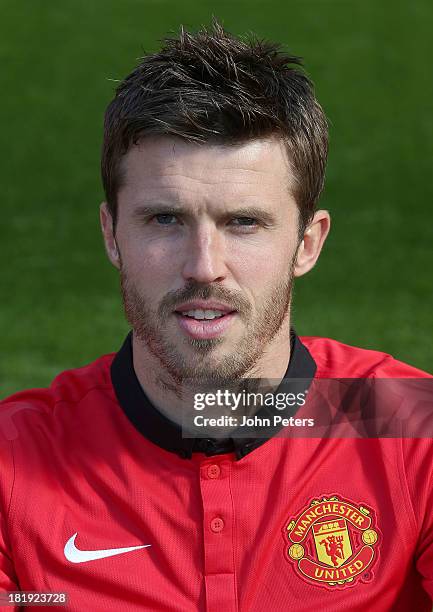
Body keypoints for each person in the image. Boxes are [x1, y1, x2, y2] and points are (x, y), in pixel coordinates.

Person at [0, 21, 432, 612]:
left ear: (308, 242)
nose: (204, 267)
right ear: (111, 234)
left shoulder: (411, 429)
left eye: (244, 222)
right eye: (165, 220)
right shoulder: (12, 462)